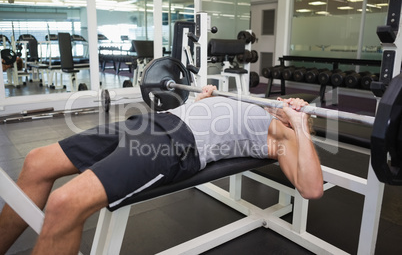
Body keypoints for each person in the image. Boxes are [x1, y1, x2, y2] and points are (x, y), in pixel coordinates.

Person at [0, 85, 323, 254]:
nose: (289, 104)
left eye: (299, 108)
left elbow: (311, 188)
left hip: (177, 143)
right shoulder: (255, 107)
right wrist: (203, 101)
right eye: (290, 102)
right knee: (37, 160)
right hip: (158, 121)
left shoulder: (284, 135)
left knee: (64, 203)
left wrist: (299, 124)